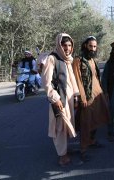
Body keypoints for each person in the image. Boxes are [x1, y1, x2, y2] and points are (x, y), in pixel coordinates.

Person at [41, 33, 80, 166]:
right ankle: (62, 155)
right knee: (59, 127)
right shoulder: (52, 58)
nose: (67, 48)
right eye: (64, 45)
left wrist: (75, 97)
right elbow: (47, 83)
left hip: (68, 99)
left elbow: (72, 80)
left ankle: (65, 150)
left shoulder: (67, 59)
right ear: (59, 45)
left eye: (69, 45)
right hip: (59, 99)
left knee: (66, 123)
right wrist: (55, 98)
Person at [72, 36, 110, 162]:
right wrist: (82, 97)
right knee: (85, 123)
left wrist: (102, 93)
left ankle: (92, 141)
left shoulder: (93, 60)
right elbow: (78, 80)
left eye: (94, 46)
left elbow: (96, 78)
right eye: (90, 46)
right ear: (85, 46)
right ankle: (83, 149)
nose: (93, 49)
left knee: (97, 119)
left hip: (97, 95)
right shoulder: (78, 60)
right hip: (87, 97)